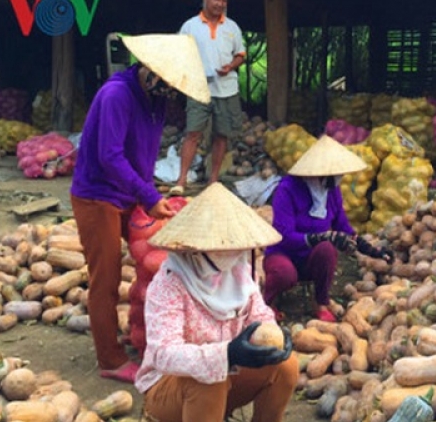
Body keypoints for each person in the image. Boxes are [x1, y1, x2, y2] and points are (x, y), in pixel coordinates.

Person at [70, 33, 211, 383]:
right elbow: (110, 156)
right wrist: (148, 197)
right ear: (149, 70)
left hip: (129, 193)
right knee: (106, 279)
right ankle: (110, 360)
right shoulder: (116, 95)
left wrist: (149, 193)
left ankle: (145, 335)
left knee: (149, 260)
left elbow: (143, 154)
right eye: (168, 84)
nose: (171, 92)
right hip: (97, 194)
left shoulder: (156, 100)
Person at [136, 182, 297, 422]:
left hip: (224, 381)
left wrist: (274, 334)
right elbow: (164, 354)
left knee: (287, 366)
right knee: (207, 380)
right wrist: (227, 355)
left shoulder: (240, 273)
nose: (231, 252)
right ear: (195, 246)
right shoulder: (169, 283)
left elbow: (260, 316)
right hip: (170, 389)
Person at [263, 135, 394, 322]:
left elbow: (343, 226)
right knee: (284, 273)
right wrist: (322, 236)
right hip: (284, 254)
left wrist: (373, 251)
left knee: (327, 249)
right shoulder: (287, 189)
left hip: (311, 258)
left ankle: (321, 303)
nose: (339, 178)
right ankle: (267, 304)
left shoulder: (331, 191)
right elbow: (283, 236)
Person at [171, 0, 247, 196]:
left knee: (221, 134)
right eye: (216, 0)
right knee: (193, 132)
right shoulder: (190, 26)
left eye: (223, 1)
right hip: (199, 88)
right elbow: (179, 52)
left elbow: (240, 54)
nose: (220, 4)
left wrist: (230, 66)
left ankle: (213, 180)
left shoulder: (232, 27)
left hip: (226, 89)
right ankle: (181, 180)